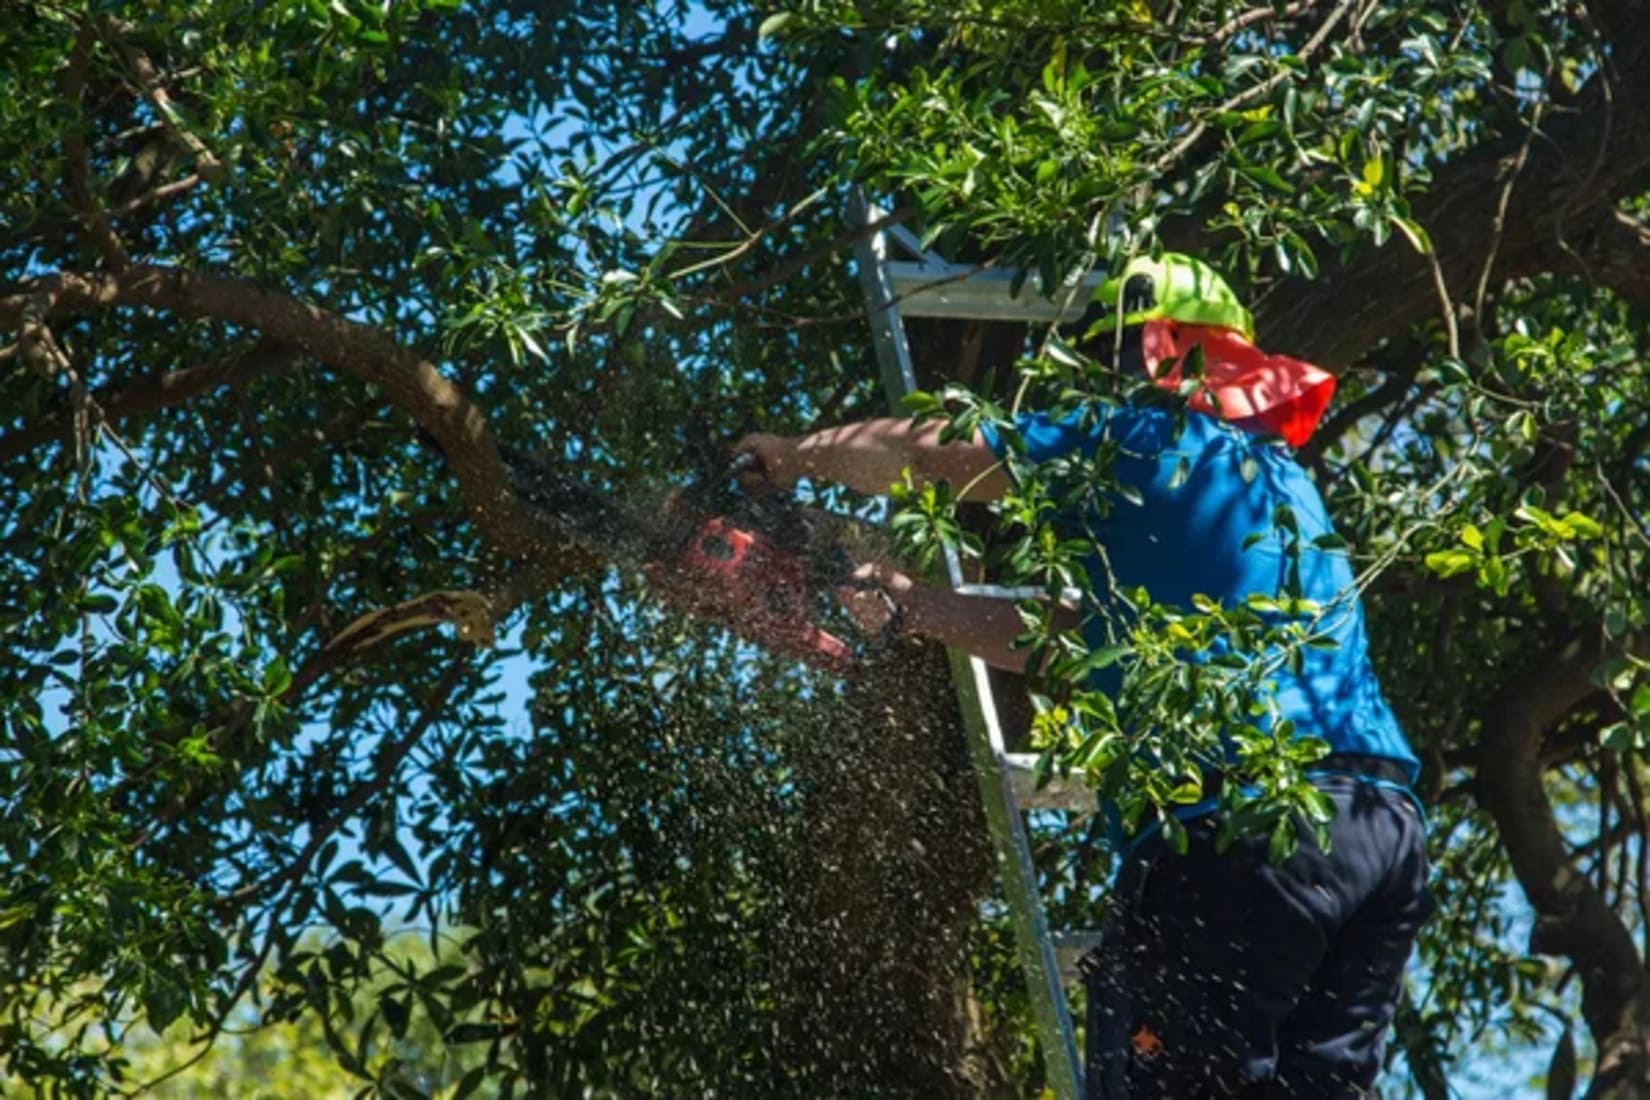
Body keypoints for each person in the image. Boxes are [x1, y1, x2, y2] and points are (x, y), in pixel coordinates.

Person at [736, 253, 1432, 1098]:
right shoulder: (1281, 486)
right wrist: (917, 607)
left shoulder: (1137, 441)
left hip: (1243, 825)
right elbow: (1077, 641)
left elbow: (941, 454)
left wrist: (795, 454)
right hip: (1380, 829)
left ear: (1150, 348)